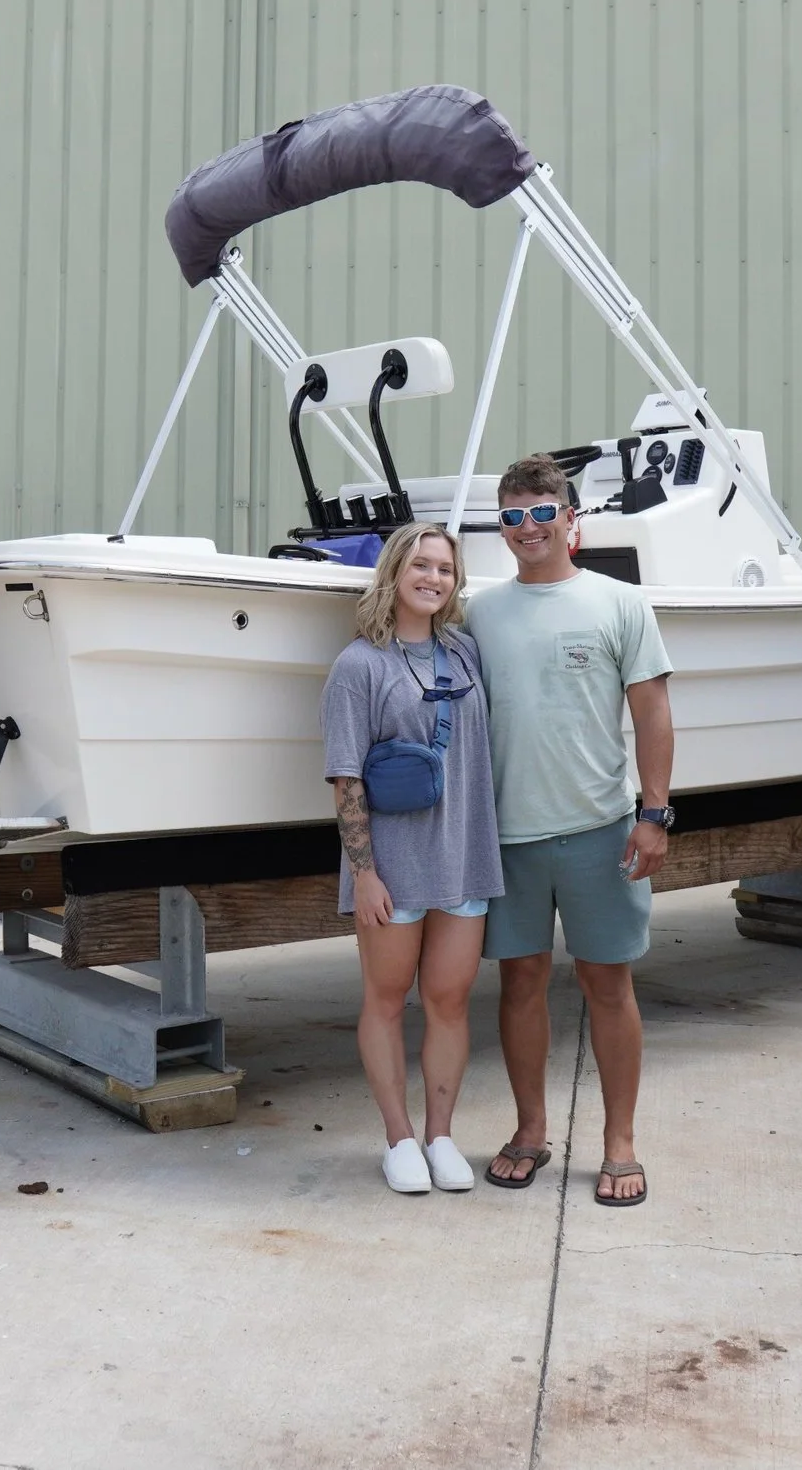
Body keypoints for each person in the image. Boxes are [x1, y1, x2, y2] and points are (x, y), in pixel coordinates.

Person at [468, 453, 675, 1208]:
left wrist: (654, 814)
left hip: (601, 829)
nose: (528, 528)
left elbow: (653, 714)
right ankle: (530, 1130)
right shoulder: (478, 611)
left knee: (607, 984)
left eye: (541, 512)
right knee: (519, 982)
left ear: (569, 518)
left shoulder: (621, 603)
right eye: (513, 516)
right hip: (509, 838)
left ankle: (620, 1142)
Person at [322, 522, 505, 1194]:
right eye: (422, 565)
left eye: (446, 569)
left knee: (451, 998)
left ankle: (441, 1135)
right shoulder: (358, 665)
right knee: (387, 998)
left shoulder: (465, 652)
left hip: (464, 855)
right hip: (392, 867)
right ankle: (398, 1136)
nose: (434, 577)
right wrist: (364, 871)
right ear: (395, 571)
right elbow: (346, 777)